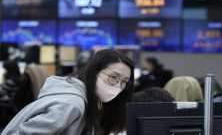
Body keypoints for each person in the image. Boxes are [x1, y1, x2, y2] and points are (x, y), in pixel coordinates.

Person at [1, 49, 134, 135]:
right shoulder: (71, 104)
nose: (118, 85)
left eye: (124, 81)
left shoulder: (86, 101)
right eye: (113, 77)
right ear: (94, 72)